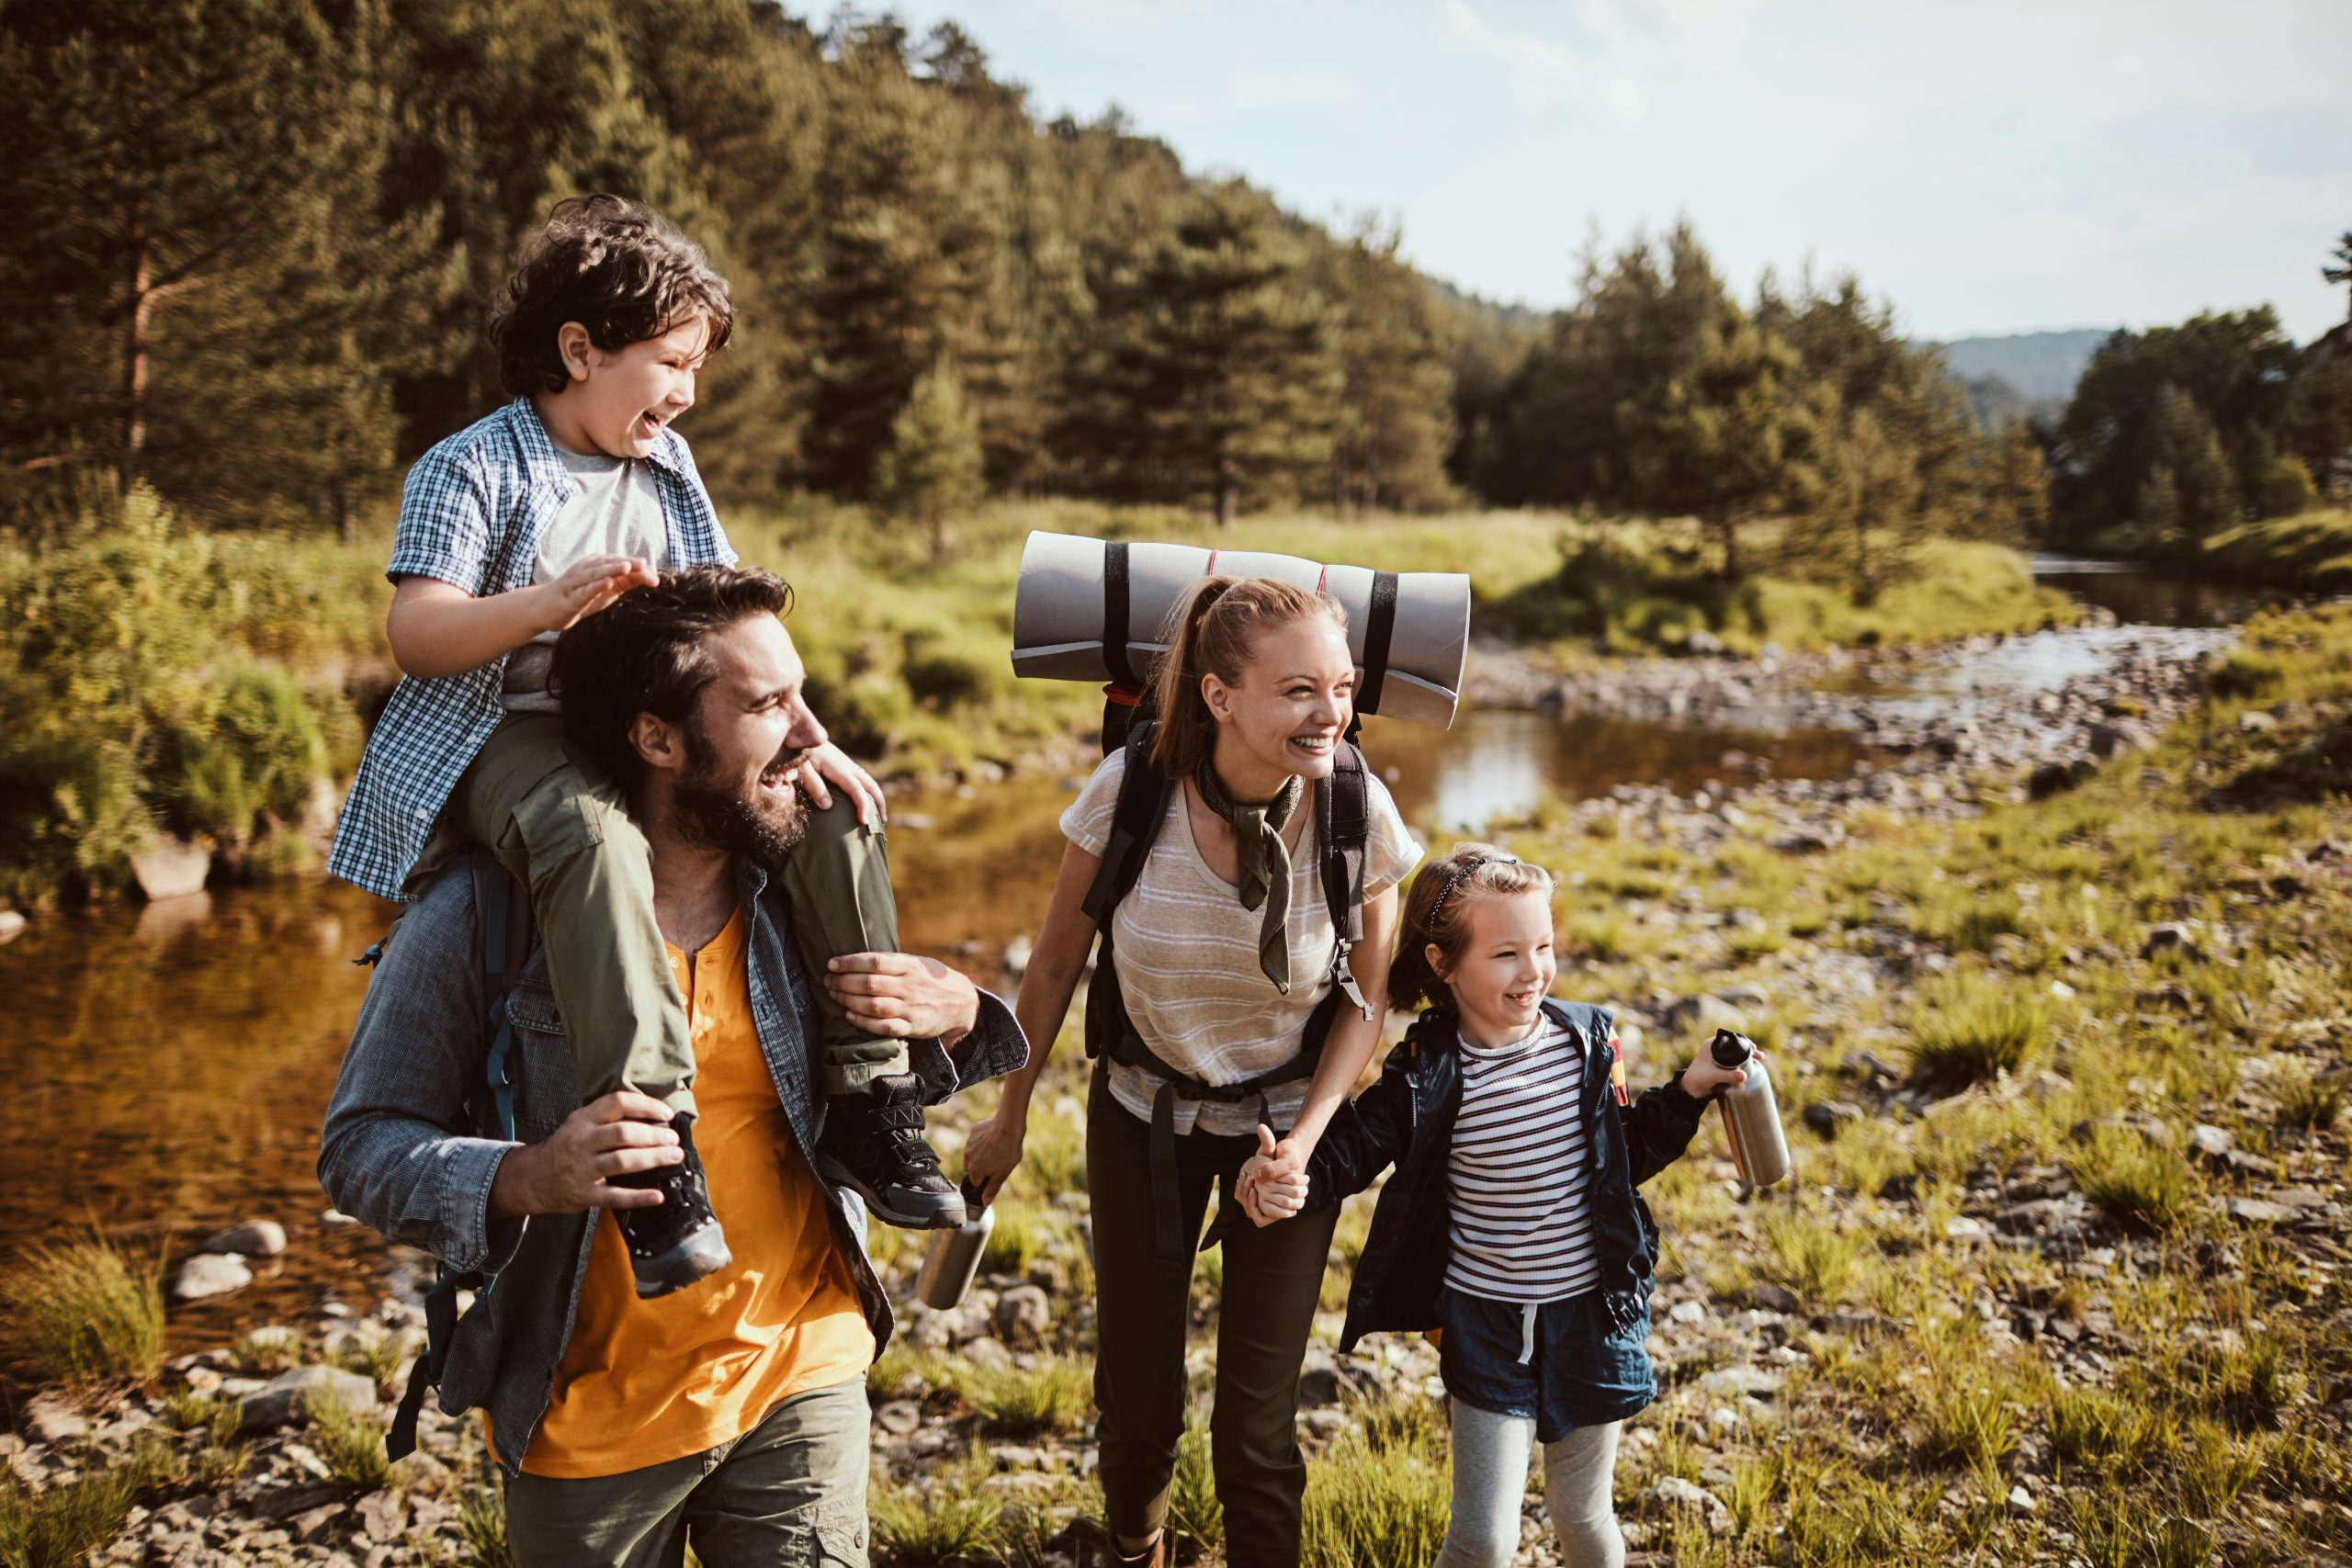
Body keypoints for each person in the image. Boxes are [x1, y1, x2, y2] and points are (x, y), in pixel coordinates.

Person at [320, 566, 1027, 1565]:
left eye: (801, 693)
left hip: (800, 1367)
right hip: (585, 1422)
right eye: (766, 705)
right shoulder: (484, 915)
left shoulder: (796, 882)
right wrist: (528, 1176)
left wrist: (955, 1012)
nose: (809, 733)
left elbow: (858, 1098)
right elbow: (359, 1148)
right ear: (657, 739)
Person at [327, 196, 963, 1304]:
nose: (685, 393)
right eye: (672, 363)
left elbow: (730, 622)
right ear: (580, 350)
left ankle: (871, 1095)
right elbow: (416, 635)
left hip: (641, 721)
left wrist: (808, 735)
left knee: (826, 804)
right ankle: (656, 1136)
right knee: (588, 833)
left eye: (697, 370)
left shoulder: (667, 466)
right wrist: (542, 604)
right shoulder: (470, 467)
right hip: (503, 733)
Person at [963, 577, 1422, 1568]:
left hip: (1284, 1136)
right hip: (1142, 1119)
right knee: (1137, 1405)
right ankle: (1138, 1547)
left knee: (1254, 1432)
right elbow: (1050, 969)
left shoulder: (1356, 810)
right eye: (1298, 690)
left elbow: (1365, 1001)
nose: (1329, 713)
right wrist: (1008, 1118)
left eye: (1340, 688)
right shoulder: (1130, 797)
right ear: (1219, 697)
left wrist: (1302, 1146)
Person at [1238, 843, 1754, 1568]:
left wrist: (1693, 1086)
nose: (1534, 970)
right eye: (1507, 952)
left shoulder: (1586, 1043)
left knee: (1584, 1519)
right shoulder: (1427, 1069)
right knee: (1482, 1538)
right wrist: (1292, 1173)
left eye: (1543, 947)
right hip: (1486, 1325)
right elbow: (1355, 1146)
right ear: (1444, 965)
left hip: (1591, 1317)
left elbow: (1624, 1154)